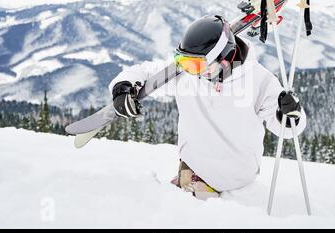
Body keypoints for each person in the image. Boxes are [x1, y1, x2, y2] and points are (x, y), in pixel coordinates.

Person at [109, 15, 306, 200]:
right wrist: (123, 86)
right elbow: (145, 71)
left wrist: (290, 114)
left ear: (225, 60)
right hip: (193, 170)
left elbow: (287, 129)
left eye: (197, 65)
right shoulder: (186, 74)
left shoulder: (259, 81)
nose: (190, 70)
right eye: (183, 62)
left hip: (237, 179)